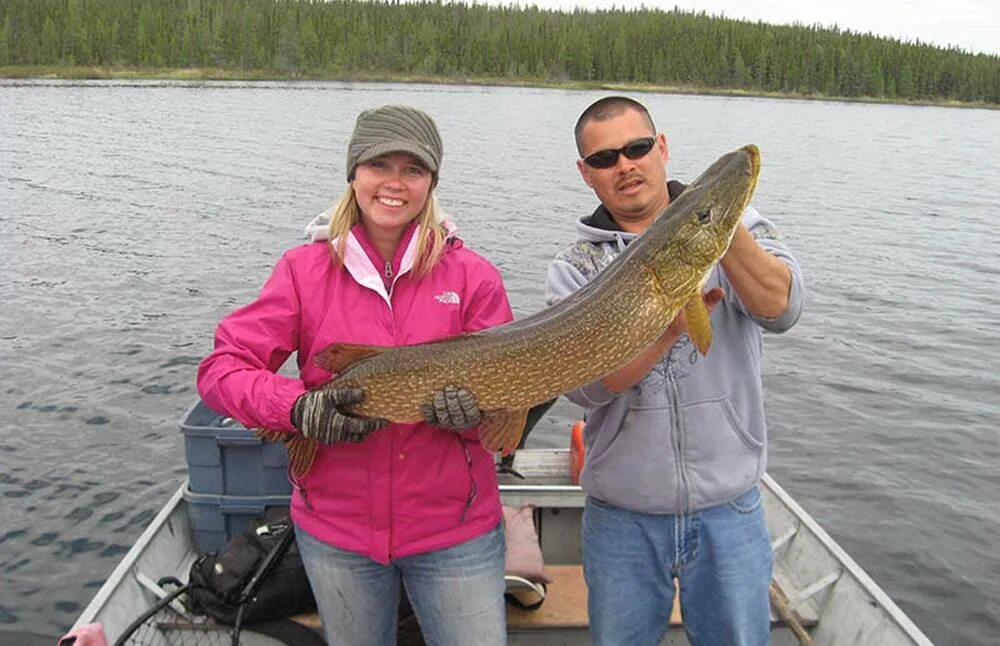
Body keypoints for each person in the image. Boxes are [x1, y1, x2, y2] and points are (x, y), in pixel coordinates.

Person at [197, 105, 511, 646]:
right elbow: (222, 369)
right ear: (354, 173)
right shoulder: (302, 271)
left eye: (413, 169)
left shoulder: (474, 277)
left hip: (455, 532)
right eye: (379, 165)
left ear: (431, 182)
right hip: (336, 534)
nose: (394, 183)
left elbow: (505, 408)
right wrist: (296, 408)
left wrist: (476, 413)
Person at [546, 96, 805, 646]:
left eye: (638, 148)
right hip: (623, 517)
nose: (626, 165)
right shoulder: (575, 267)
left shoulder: (744, 228)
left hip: (728, 509)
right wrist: (664, 332)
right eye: (605, 158)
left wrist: (717, 226)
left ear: (661, 148)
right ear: (586, 174)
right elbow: (588, 389)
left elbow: (783, 308)